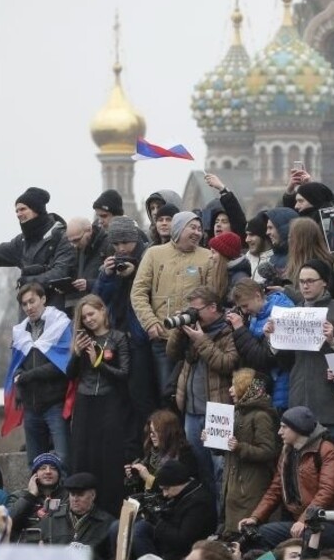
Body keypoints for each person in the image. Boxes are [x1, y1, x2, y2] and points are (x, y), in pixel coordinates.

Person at [131, 210, 227, 402]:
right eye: (192, 227)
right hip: (163, 339)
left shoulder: (207, 257)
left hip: (194, 340)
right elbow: (138, 292)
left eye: (200, 229)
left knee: (194, 396)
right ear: (178, 228)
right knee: (167, 395)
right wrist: (150, 322)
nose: (197, 232)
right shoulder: (153, 254)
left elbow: (212, 296)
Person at [168, 285, 239, 508]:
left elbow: (227, 364)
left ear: (212, 307)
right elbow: (171, 354)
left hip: (218, 409)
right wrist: (180, 331)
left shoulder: (229, 330)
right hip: (191, 410)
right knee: (201, 470)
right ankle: (208, 520)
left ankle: (223, 521)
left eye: (196, 310)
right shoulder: (193, 328)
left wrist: (201, 340)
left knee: (220, 470)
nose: (193, 314)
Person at [240, 406, 334, 549]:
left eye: (284, 427)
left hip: (326, 523)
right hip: (298, 523)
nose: (279, 432)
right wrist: (255, 517)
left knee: (307, 539)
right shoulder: (287, 452)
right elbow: (275, 489)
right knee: (256, 537)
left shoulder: (326, 449)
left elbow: (327, 491)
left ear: (298, 428)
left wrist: (305, 520)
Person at [93, 215, 157, 449]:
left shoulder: (148, 256)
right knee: (121, 398)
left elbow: (152, 292)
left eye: (125, 243)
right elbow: (98, 299)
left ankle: (148, 446)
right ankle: (129, 448)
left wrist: (135, 272)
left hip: (140, 339)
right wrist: (106, 275)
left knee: (141, 397)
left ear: (134, 240)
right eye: (116, 244)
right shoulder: (110, 263)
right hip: (117, 337)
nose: (121, 248)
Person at [272, 260, 334, 445]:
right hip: (300, 402)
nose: (305, 286)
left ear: (324, 282)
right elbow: (287, 361)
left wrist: (333, 341)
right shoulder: (293, 313)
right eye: (301, 282)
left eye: (310, 281)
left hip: (332, 405)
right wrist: (273, 339)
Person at [68, 294, 131, 513]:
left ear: (103, 311)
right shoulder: (83, 339)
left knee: (108, 455)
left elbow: (123, 374)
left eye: (91, 314)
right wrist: (76, 354)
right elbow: (70, 375)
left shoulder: (119, 337)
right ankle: (81, 505)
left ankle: (109, 508)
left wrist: (98, 360)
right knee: (83, 453)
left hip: (109, 399)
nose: (88, 320)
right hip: (85, 399)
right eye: (84, 317)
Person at [7, 282, 73, 464]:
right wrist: (19, 374)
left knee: (63, 459)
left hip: (54, 403)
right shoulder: (20, 331)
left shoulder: (60, 325)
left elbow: (62, 365)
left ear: (43, 299)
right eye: (24, 304)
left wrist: (28, 376)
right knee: (34, 462)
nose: (29, 307)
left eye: (32, 301)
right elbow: (16, 365)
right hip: (31, 406)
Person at [218, 369, 280, 535]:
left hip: (250, 488)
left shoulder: (261, 416)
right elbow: (227, 446)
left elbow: (268, 451)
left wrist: (240, 447)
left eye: (235, 385)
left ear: (246, 388)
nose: (230, 389)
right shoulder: (237, 412)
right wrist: (212, 439)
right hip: (234, 488)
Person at [137, 458, 217, 560]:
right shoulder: (182, 494)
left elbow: (183, 539)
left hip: (183, 554)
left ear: (179, 483)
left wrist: (158, 521)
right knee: (140, 527)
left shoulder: (199, 502)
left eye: (166, 489)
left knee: (139, 532)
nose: (165, 494)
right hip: (170, 545)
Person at [228, 278, 296, 411]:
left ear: (258, 296)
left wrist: (240, 329)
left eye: (245, 305)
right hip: (265, 382)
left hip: (280, 384)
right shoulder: (255, 316)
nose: (244, 310)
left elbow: (262, 358)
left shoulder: (281, 313)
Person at [39, 472, 115, 560]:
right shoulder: (51, 519)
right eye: (72, 494)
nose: (75, 499)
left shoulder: (107, 523)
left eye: (80, 495)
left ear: (93, 496)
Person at [125, 409, 198, 496]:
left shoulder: (184, 456)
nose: (152, 435)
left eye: (157, 431)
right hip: (151, 501)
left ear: (169, 432)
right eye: (151, 431)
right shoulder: (152, 453)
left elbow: (169, 490)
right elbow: (147, 488)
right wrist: (136, 475)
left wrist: (148, 477)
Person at [6, 451, 66, 541]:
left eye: (53, 468)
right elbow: (7, 522)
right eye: (43, 468)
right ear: (34, 474)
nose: (48, 472)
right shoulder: (18, 496)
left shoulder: (68, 496)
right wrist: (31, 496)